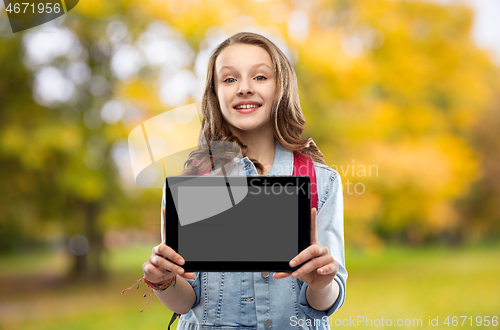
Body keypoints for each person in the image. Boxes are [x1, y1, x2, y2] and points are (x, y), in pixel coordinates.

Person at [141, 32, 347, 329]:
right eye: (229, 80)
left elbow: (325, 301)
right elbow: (188, 302)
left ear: (281, 87)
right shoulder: (191, 184)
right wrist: (163, 282)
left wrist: (321, 284)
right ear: (214, 93)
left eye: (260, 77)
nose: (244, 88)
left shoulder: (321, 182)